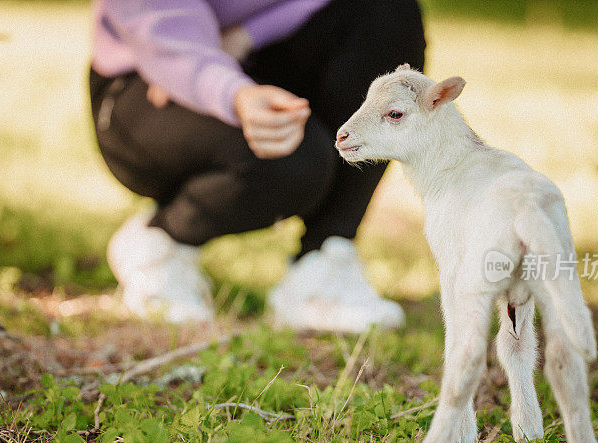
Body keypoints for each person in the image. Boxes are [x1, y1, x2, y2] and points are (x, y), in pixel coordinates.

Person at [89, 0, 426, 332]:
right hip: (150, 68)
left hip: (255, 52)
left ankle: (323, 263)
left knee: (387, 11)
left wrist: (247, 35)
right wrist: (226, 86)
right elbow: (159, 21)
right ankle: (161, 239)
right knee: (292, 157)